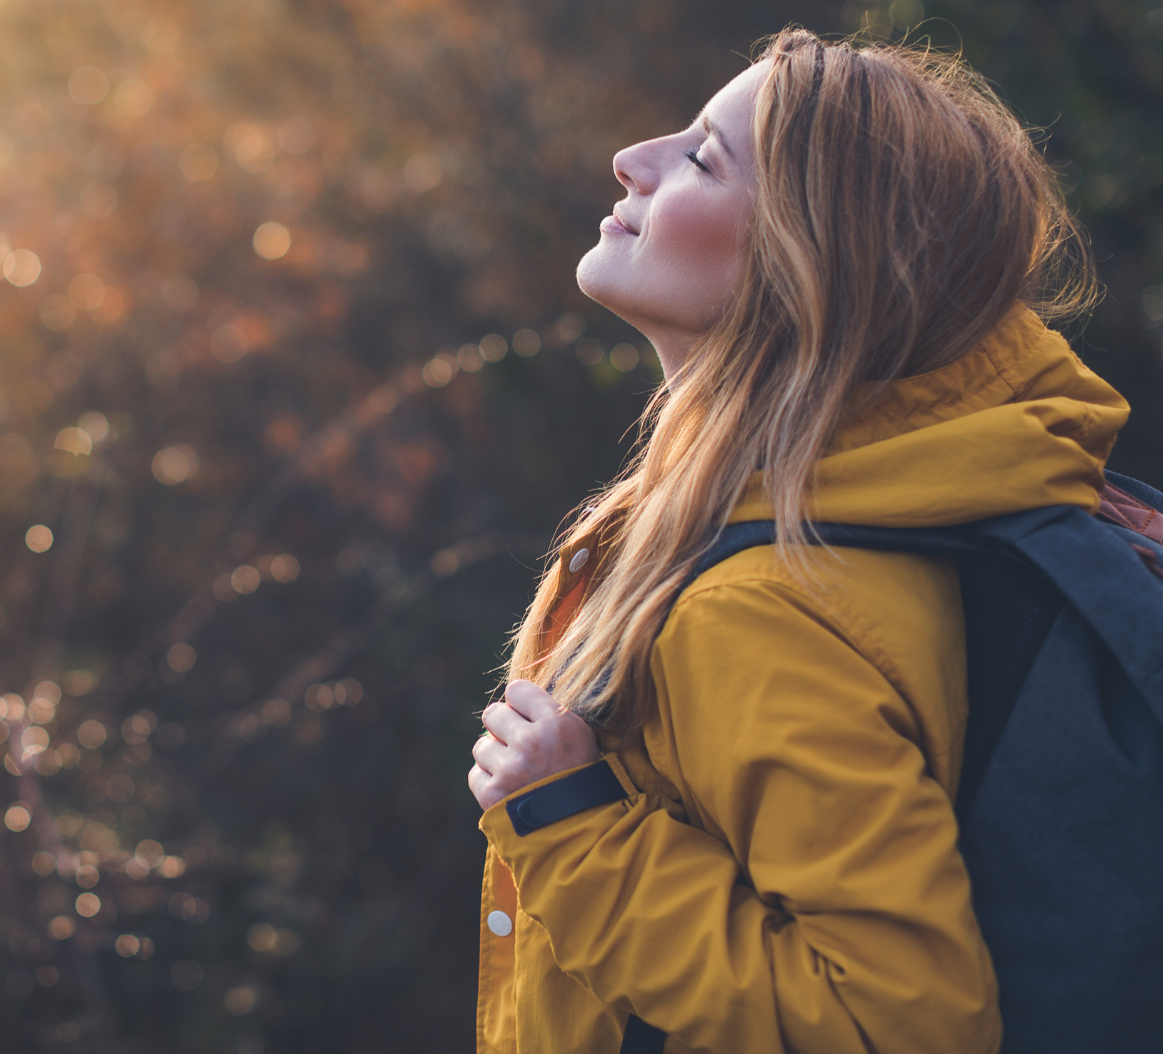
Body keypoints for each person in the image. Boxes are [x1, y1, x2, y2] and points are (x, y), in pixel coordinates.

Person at [467, 28, 1122, 1053]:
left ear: (801, 267)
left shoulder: (758, 607)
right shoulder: (898, 499)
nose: (632, 157)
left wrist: (575, 830)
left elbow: (903, 1022)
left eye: (698, 160)